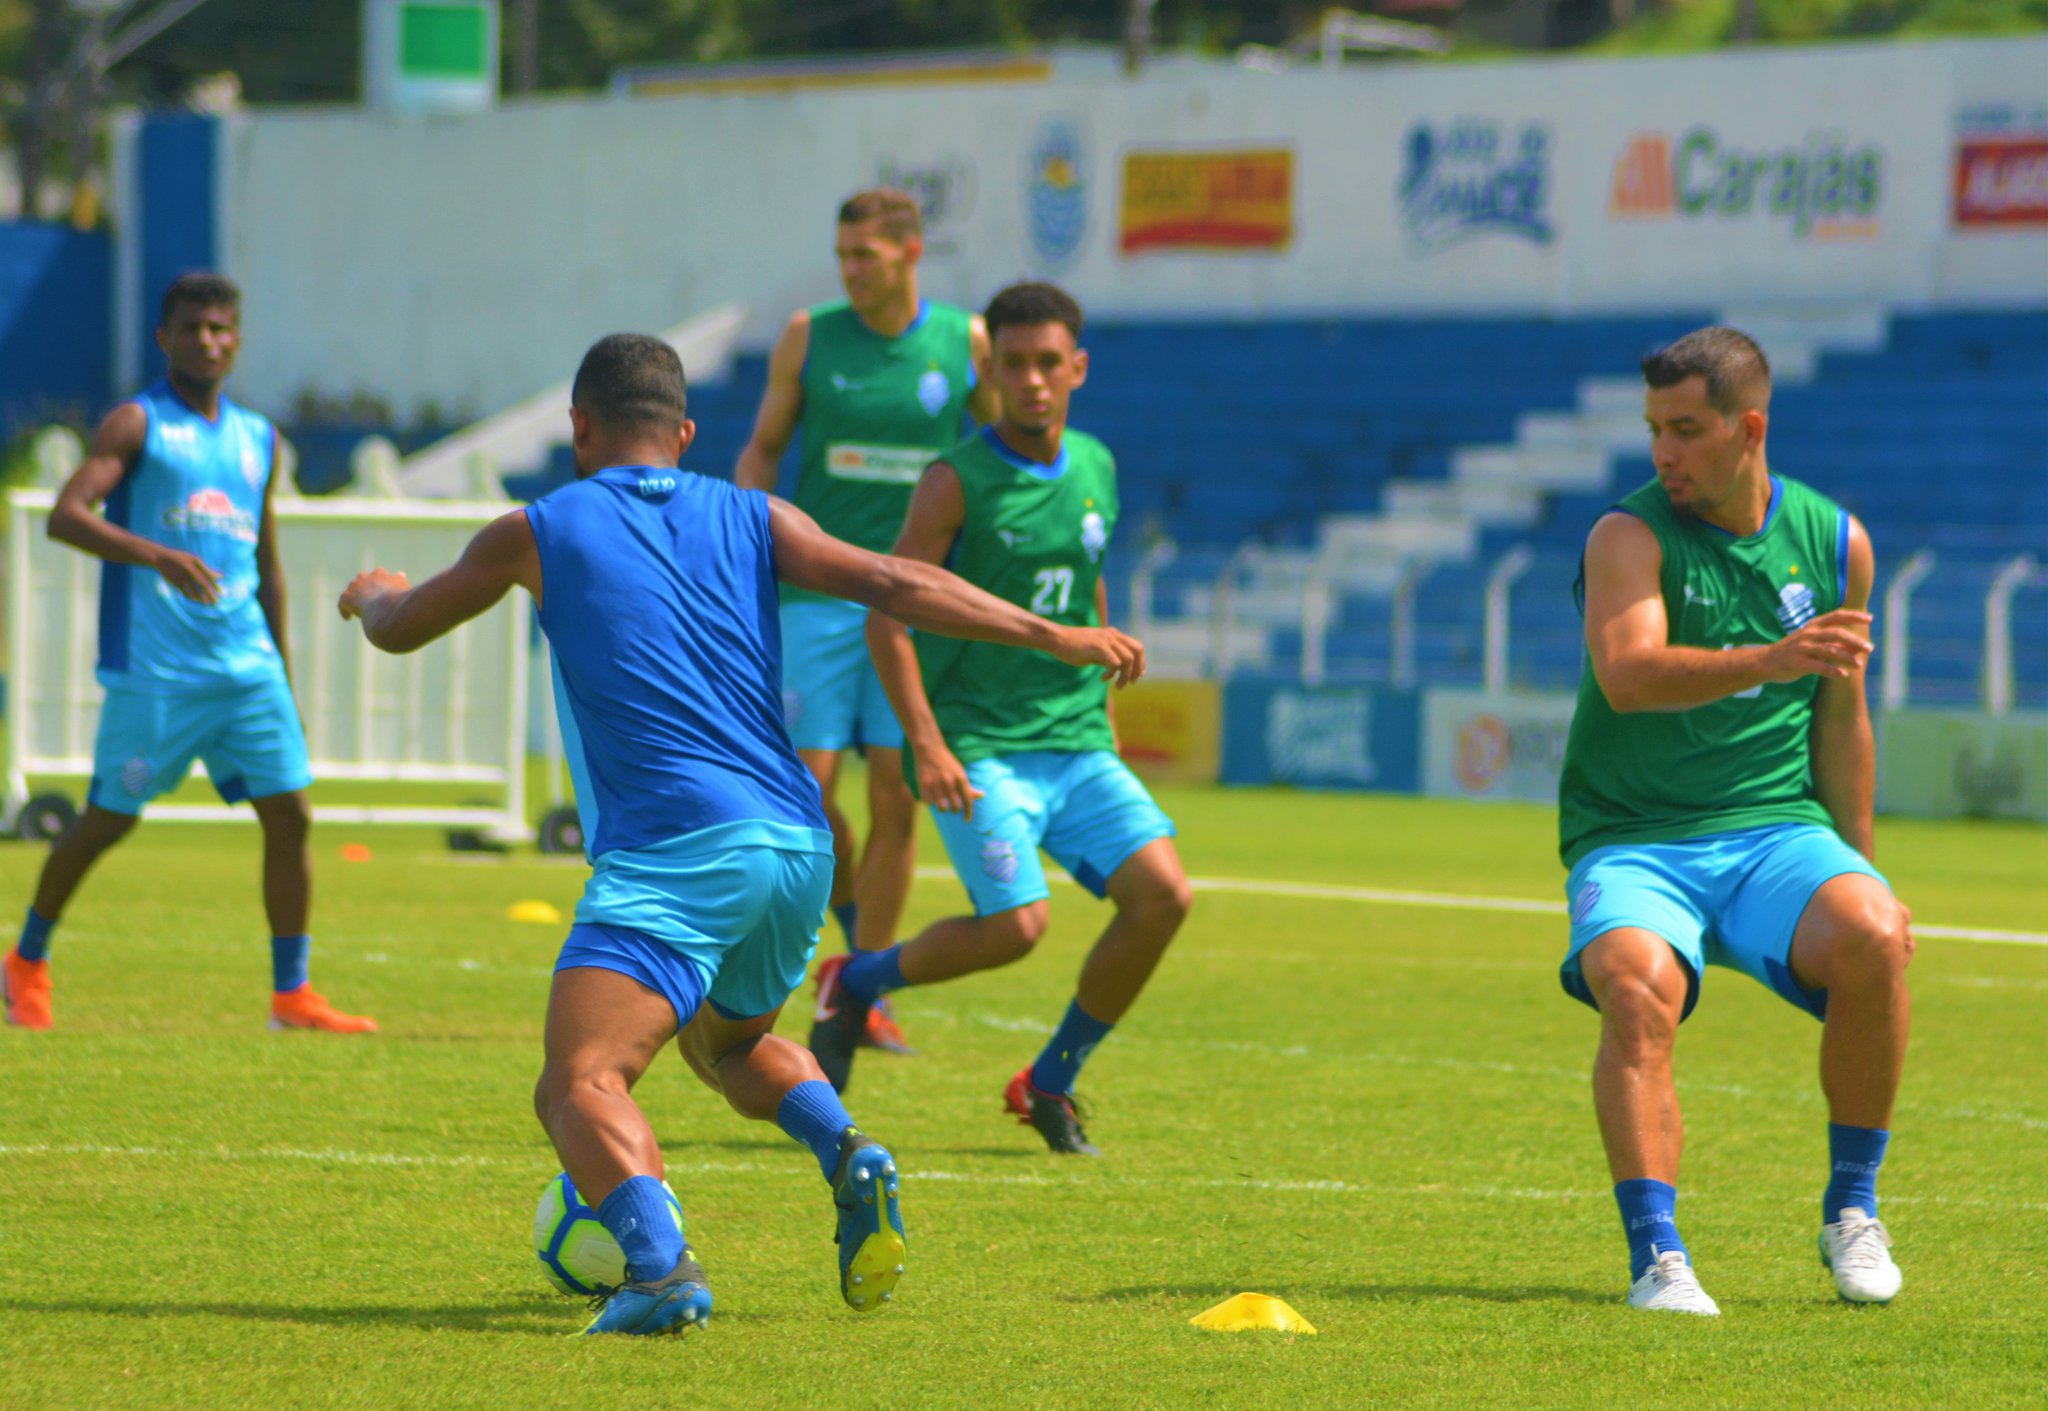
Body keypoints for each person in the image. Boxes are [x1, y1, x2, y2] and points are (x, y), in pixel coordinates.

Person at [338, 333, 1143, 1334]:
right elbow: (900, 583)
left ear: (578, 430)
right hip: (794, 848)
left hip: (676, 849)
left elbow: (404, 623)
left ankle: (660, 1269)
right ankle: (848, 1149)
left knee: (579, 1081)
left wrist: (371, 591)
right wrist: (1056, 634)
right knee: (728, 1049)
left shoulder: (535, 528)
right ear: (682, 433)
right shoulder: (756, 514)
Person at [1559, 326, 1912, 1315]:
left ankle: (1850, 1211)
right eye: (1651, 431)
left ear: (1745, 427)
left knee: (1876, 938)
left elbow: (1841, 718)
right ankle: (1657, 1257)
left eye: (1683, 430)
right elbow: (1625, 678)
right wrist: (1768, 656)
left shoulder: (1836, 542)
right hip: (1633, 838)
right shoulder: (1623, 536)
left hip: (1773, 831)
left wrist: (1861, 868)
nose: (1661, 453)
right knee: (1634, 993)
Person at [811, 282, 1193, 1156]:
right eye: (1012, 364)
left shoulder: (1095, 464)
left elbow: (1084, 578)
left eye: (1048, 363)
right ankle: (857, 975)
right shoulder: (955, 482)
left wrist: (1099, 690)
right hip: (979, 748)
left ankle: (1049, 1079)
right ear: (988, 370)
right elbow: (887, 613)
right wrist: (927, 743)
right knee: (1018, 928)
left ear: (1077, 368)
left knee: (1164, 895)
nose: (1031, 381)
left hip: (1077, 743)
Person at [3, 273, 373, 1035]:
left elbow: (266, 565)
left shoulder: (259, 438)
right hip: (159, 676)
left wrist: (285, 675)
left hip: (247, 671)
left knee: (291, 815)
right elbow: (66, 517)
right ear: (163, 338)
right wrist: (157, 555)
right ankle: (26, 959)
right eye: (193, 327)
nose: (209, 339)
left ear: (237, 340)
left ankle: (291, 995)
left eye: (221, 328)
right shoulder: (137, 424)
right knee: (106, 819)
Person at [735, 188, 999, 1055]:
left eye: (866, 258)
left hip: (914, 602)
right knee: (805, 791)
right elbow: (768, 444)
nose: (850, 271)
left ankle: (865, 985)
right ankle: (842, 929)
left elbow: (997, 457)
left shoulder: (964, 342)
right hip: (815, 595)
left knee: (898, 792)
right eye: (843, 255)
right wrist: (745, 529)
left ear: (911, 253)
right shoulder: (811, 335)